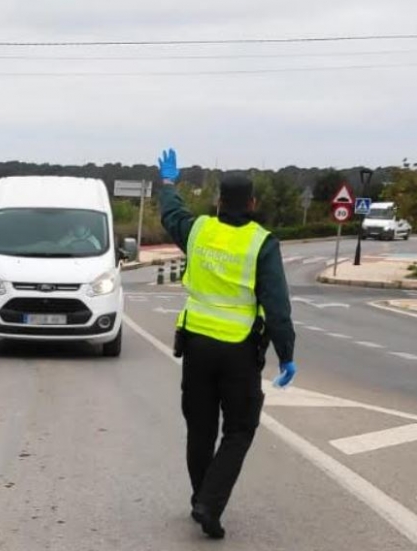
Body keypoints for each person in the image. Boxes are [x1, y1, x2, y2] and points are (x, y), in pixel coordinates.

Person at [157, 148, 297, 540]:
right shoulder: (261, 243)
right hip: (238, 352)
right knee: (239, 429)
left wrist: (168, 183)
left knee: (199, 428)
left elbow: (172, 214)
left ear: (219, 201)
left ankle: (200, 497)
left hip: (197, 347)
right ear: (252, 204)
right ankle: (209, 503)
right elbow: (278, 306)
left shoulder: (199, 229)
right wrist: (286, 354)